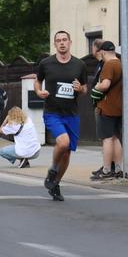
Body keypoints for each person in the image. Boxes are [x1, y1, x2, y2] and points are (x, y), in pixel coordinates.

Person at [34, 30, 88, 201]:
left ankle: (55, 183)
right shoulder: (46, 63)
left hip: (71, 114)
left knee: (67, 153)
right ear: (55, 44)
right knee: (62, 143)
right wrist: (38, 91)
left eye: (65, 40)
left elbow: (85, 88)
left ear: (70, 42)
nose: (62, 43)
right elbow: (37, 80)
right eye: (58, 41)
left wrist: (80, 89)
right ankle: (53, 168)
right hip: (52, 112)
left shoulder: (79, 65)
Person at [90, 41, 123, 180]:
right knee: (115, 138)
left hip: (107, 107)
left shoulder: (109, 64)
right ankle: (120, 169)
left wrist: (96, 86)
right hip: (118, 107)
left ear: (102, 52)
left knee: (107, 139)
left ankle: (107, 170)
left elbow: (105, 85)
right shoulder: (120, 63)